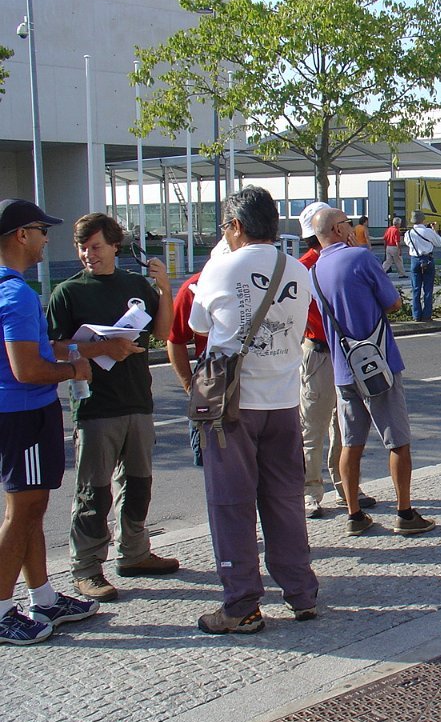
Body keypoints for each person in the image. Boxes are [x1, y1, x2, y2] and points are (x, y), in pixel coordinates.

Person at [187, 186, 319, 635]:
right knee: (284, 499)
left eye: (227, 225)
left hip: (233, 405)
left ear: (237, 226)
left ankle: (241, 603)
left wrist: (219, 260)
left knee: (232, 503)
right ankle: (301, 591)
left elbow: (198, 325)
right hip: (283, 398)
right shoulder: (297, 269)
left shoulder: (220, 267)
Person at [47, 213, 178, 603]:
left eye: (96, 247)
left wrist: (165, 290)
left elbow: (162, 333)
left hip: (137, 400)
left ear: (115, 246)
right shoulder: (67, 293)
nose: (89, 254)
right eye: (83, 248)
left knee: (138, 485)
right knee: (94, 492)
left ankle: (134, 553)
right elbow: (53, 348)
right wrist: (104, 347)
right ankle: (86, 568)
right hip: (95, 407)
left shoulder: (135, 285)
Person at [0, 199, 98, 645]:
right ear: (22, 235)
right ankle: (3, 610)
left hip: (18, 414)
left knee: (31, 509)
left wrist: (62, 354)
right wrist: (73, 369)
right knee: (22, 513)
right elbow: (26, 370)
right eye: (42, 230)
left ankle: (43, 598)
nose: (46, 239)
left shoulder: (10, 288)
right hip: (24, 414)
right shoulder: (17, 294)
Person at [310, 207, 435, 536]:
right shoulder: (360, 258)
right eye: (347, 223)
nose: (352, 227)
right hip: (378, 363)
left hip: (343, 367)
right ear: (338, 230)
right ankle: (405, 513)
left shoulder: (314, 270)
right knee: (398, 441)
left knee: (351, 443)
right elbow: (393, 302)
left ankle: (354, 515)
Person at [295, 201, 376, 519]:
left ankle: (346, 487)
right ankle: (309, 491)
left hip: (345, 351)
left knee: (345, 427)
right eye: (344, 225)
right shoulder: (304, 267)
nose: (350, 230)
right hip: (319, 352)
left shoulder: (349, 259)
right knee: (313, 428)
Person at [167, 239, 232, 467]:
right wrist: (189, 386)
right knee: (211, 454)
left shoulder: (257, 284)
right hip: (211, 378)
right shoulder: (193, 288)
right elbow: (175, 339)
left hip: (254, 379)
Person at [404, 211, 441, 322]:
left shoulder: (408, 233)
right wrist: (434, 230)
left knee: (416, 289)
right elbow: (438, 243)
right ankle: (427, 315)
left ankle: (416, 315)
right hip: (427, 259)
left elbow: (408, 243)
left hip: (415, 259)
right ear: (423, 220)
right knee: (428, 289)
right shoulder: (428, 231)